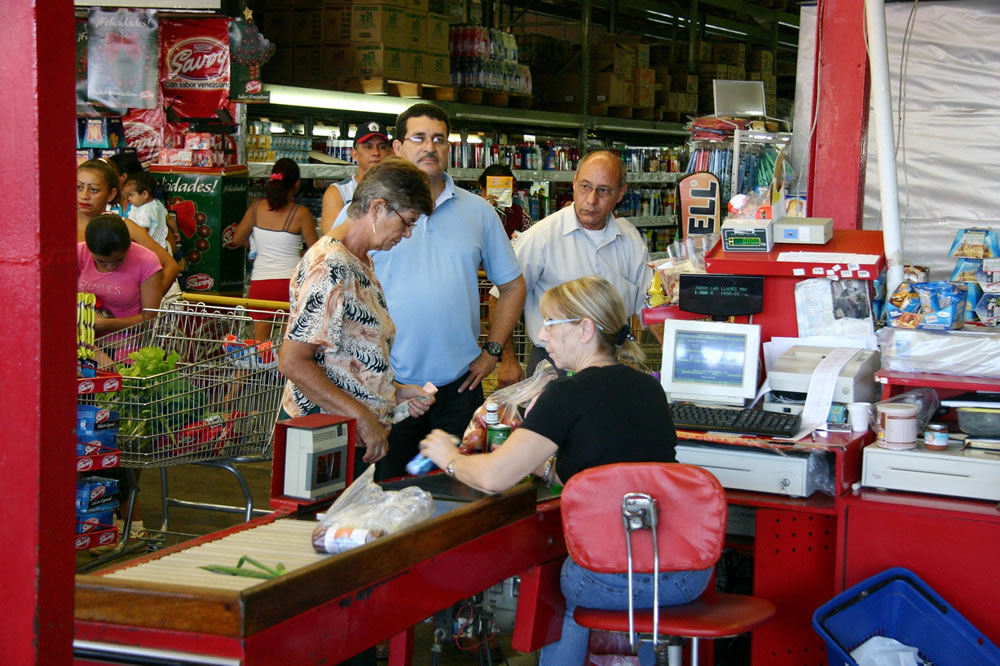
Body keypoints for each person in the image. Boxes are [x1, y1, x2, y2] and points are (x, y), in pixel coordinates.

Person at [418, 276, 711, 666]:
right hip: (685, 573)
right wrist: (546, 466)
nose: (541, 336)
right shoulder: (648, 388)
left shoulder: (565, 393)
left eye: (551, 324)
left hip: (611, 581)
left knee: (563, 585)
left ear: (585, 328)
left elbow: (492, 477)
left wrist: (449, 455)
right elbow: (608, 471)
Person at [332, 103, 526, 479]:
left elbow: (513, 284)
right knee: (380, 494)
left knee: (456, 496)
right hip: (385, 386)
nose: (429, 147)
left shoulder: (479, 212)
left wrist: (493, 352)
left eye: (439, 139)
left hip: (458, 386)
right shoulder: (367, 210)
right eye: (418, 138)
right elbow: (333, 278)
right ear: (398, 146)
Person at [279, 157, 437, 487]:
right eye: (406, 222)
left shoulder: (359, 261)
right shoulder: (331, 266)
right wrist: (361, 416)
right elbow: (294, 361)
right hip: (322, 437)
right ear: (377, 208)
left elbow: (346, 355)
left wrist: (392, 392)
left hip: (345, 435)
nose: (407, 234)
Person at [494, 150, 659, 387]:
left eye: (604, 190)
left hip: (611, 364)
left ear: (621, 193)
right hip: (552, 366)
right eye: (585, 187)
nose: (591, 200)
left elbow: (651, 307)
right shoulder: (541, 238)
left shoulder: (630, 241)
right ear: (574, 184)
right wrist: (506, 358)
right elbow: (499, 297)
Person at [232, 158, 319, 342]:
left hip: (260, 285)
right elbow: (317, 251)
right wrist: (299, 254)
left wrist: (257, 246)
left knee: (261, 346)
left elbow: (237, 238)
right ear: (296, 185)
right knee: (291, 344)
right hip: (290, 285)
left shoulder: (256, 208)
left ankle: (263, 371)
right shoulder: (300, 213)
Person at [77, 159, 180, 298]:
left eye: (94, 189)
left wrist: (143, 306)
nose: (84, 196)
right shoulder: (56, 226)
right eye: (78, 187)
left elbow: (171, 267)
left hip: (118, 316)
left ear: (111, 194)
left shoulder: (124, 226)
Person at [78, 213, 163, 334]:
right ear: (89, 249)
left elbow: (150, 318)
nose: (111, 267)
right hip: (83, 340)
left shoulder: (147, 260)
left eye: (119, 260)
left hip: (127, 341)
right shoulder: (78, 253)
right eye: (102, 262)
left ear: (129, 245)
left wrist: (108, 325)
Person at [319, 120, 392, 234]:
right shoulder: (339, 192)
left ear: (390, 153)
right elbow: (331, 241)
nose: (376, 152)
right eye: (368, 147)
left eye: (382, 147)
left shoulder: (397, 191)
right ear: (354, 154)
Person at [477, 164, 532, 239]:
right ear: (482, 187)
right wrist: (482, 209)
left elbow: (531, 242)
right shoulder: (471, 211)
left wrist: (518, 240)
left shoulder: (520, 214)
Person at [123, 171, 170, 252]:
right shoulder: (157, 204)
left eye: (131, 195)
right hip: (161, 245)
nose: (128, 199)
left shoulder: (145, 210)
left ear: (145, 194)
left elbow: (142, 232)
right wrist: (176, 233)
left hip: (148, 249)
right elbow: (169, 219)